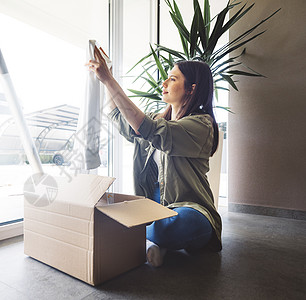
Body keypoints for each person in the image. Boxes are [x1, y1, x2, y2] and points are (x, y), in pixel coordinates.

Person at [87, 46, 222, 267]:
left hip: (190, 208)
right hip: (155, 206)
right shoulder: (159, 119)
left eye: (172, 79)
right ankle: (152, 242)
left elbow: (147, 129)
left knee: (169, 226)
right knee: (150, 223)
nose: (164, 84)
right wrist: (106, 79)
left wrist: (109, 80)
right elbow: (120, 117)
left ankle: (145, 237)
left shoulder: (201, 125)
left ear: (191, 88)